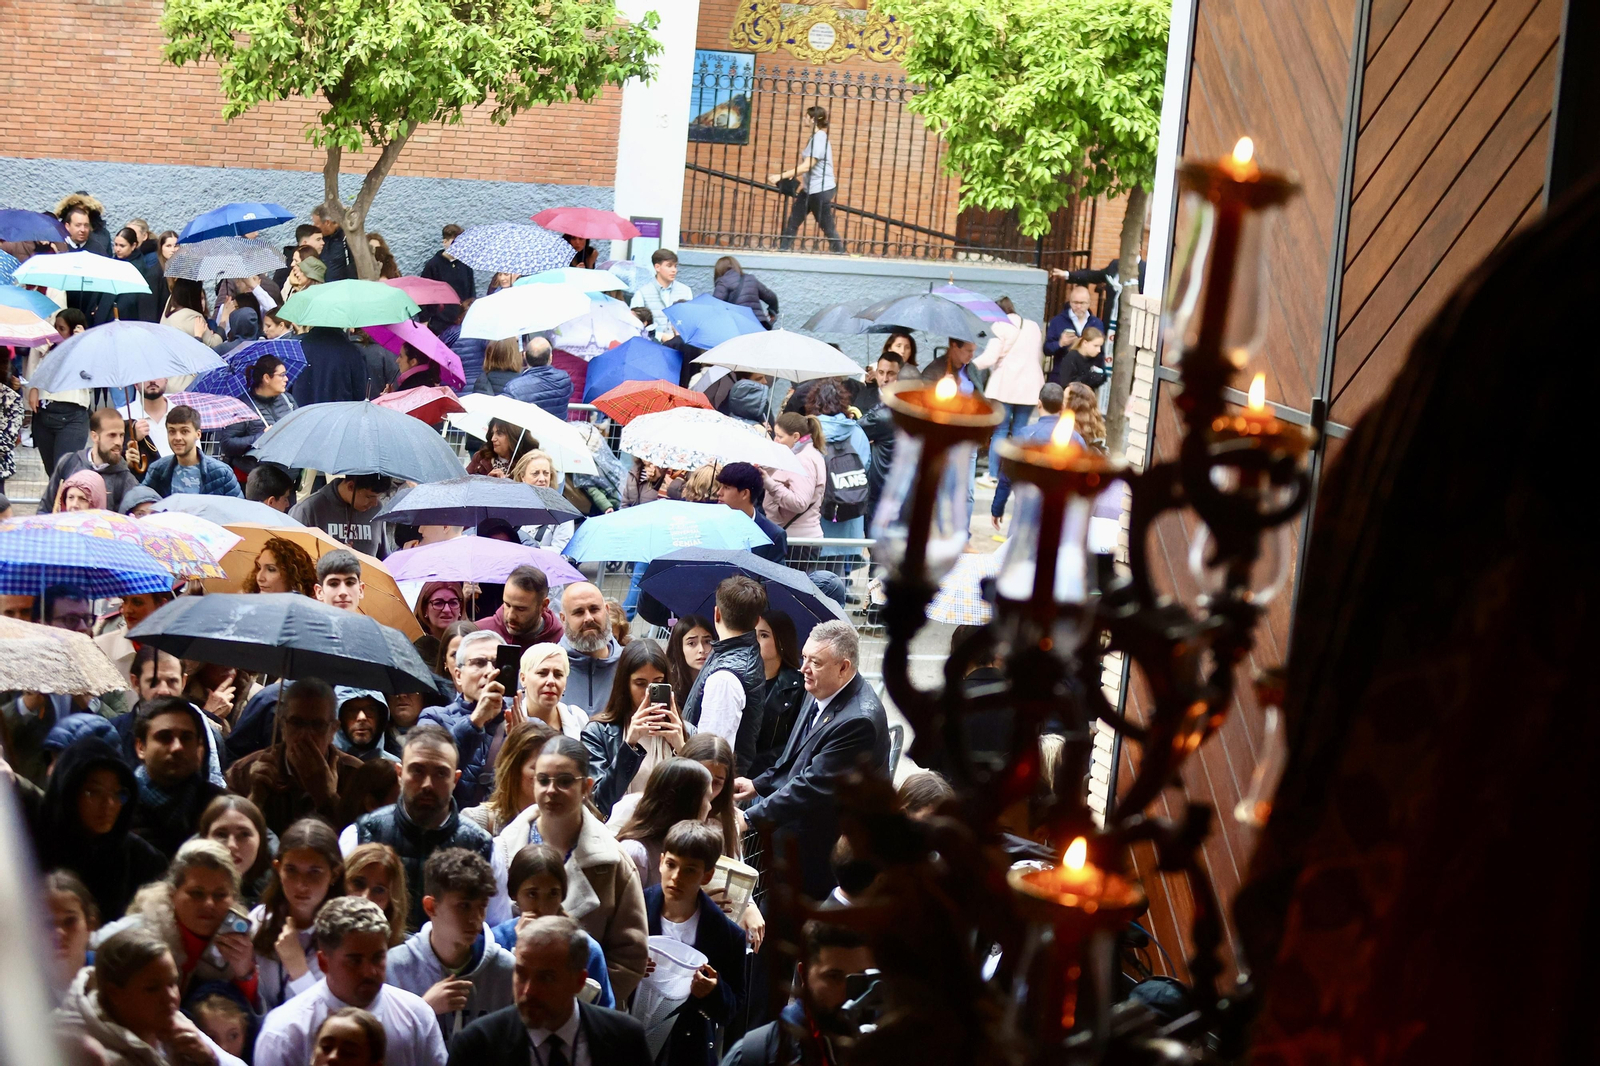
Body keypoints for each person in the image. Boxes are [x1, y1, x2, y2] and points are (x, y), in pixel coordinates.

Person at [733, 620, 890, 900]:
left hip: (819, 853)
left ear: (843, 667)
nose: (803, 668)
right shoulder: (820, 686)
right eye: (804, 657)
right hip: (795, 841)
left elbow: (813, 784)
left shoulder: (858, 721)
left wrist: (749, 817)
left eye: (815, 662)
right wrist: (759, 784)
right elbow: (796, 755)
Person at [487, 737, 649, 1000]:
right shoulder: (502, 850)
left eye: (564, 781)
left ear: (586, 786)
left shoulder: (613, 862)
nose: (551, 790)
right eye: (543, 780)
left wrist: (582, 1000)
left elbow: (629, 957)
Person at [252, 897, 445, 1066]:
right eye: (355, 961)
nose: (370, 971)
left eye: (378, 958)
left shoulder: (417, 1016)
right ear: (323, 962)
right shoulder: (284, 1032)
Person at [342, 724, 495, 932]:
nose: (427, 785)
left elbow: (493, 928)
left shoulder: (482, 847)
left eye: (441, 773)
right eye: (417, 771)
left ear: (455, 780)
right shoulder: (361, 834)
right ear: (399, 773)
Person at [91, 839, 257, 1001]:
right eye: (197, 893)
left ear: (233, 899)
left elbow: (249, 1015)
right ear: (172, 893)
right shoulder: (137, 931)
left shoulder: (241, 942)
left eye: (220, 895)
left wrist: (245, 973)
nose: (209, 904)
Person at [55, 926, 248, 1066]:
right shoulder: (80, 1051)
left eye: (172, 983)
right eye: (152, 989)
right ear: (115, 993)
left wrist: (209, 1058)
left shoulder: (175, 1024)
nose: (170, 997)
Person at [643, 822, 746, 1066]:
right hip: (632, 1041)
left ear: (706, 875)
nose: (676, 877)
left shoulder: (728, 935)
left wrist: (713, 991)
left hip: (688, 1050)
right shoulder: (635, 909)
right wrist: (631, 968)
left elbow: (732, 1009)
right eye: (671, 864)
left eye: (689, 870)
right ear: (661, 862)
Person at [31, 736, 168, 921]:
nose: (108, 804)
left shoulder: (143, 860)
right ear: (69, 793)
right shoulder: (30, 847)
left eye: (118, 793)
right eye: (93, 792)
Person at [385, 848, 513, 1039]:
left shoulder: (507, 970)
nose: (476, 918)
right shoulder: (394, 968)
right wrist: (424, 1009)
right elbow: (382, 1046)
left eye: (482, 906)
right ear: (430, 907)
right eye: (464, 906)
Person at [719, 921, 874, 1066]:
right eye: (834, 977)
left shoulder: (881, 1048)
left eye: (860, 979)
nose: (848, 991)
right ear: (803, 974)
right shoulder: (754, 1054)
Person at [226, 679, 367, 835]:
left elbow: (363, 839)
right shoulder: (244, 771)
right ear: (282, 725)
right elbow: (227, 837)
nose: (305, 734)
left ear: (333, 729)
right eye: (297, 723)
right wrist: (256, 798)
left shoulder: (356, 776)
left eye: (317, 725)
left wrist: (327, 798)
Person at [490, 844, 612, 1007]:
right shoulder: (495, 943)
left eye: (553, 894)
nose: (543, 907)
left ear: (563, 895)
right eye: (532, 894)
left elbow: (603, 1013)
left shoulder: (587, 949)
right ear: (514, 894)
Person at [581, 640, 686, 820]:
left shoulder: (685, 730)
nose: (648, 693)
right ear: (625, 685)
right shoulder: (597, 732)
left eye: (657, 683)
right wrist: (629, 746)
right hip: (618, 832)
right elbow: (598, 803)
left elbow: (704, 795)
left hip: (672, 832)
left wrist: (682, 749)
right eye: (640, 683)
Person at [248, 818, 345, 1010]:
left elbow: (334, 1014)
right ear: (278, 869)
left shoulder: (345, 934)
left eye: (314, 872)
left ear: (334, 874)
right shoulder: (259, 921)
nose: (301, 885)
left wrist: (298, 968)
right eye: (291, 870)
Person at [679, 576, 768, 774]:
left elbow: (710, 755)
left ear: (716, 613)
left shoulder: (724, 679)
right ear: (757, 621)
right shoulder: (743, 652)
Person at [420, 629, 511, 805]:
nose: (490, 671)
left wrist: (521, 743)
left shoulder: (522, 721)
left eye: (497, 663)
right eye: (479, 663)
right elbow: (429, 774)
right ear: (458, 675)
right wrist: (475, 722)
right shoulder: (433, 718)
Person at [128, 696, 226, 858]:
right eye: (164, 737)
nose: (177, 747)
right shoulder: (119, 806)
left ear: (199, 745)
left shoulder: (221, 808)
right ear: (141, 747)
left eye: (186, 738)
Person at [973, 295, 1046, 479]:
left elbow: (990, 357)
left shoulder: (1000, 326)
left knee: (1000, 430)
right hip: (1030, 386)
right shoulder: (1033, 326)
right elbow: (1037, 356)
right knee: (1021, 430)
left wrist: (970, 365)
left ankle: (994, 474)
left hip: (1005, 386)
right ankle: (1016, 474)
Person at [990, 384, 1079, 529]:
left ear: (1039, 404)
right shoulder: (1076, 438)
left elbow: (1006, 477)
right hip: (1063, 516)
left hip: (1027, 514)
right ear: (1062, 407)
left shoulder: (1025, 435)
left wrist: (997, 508)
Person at [616, 761, 712, 889]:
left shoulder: (681, 848)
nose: (710, 807)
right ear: (688, 802)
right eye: (707, 798)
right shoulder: (637, 853)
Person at [461, 719, 560, 836]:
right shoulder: (475, 821)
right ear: (514, 770)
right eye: (539, 768)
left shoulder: (568, 824)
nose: (551, 778)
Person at [40, 406, 140, 513]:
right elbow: (45, 510)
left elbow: (130, 521)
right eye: (112, 435)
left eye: (121, 435)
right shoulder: (69, 463)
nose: (118, 442)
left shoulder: (125, 479)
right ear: (94, 436)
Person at [774, 106, 844, 253]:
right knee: (793, 221)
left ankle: (840, 253)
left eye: (806, 116)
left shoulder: (819, 139)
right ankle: (783, 250)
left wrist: (780, 176)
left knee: (827, 227)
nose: (804, 119)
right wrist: (793, 174)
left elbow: (807, 166)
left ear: (813, 119)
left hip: (820, 189)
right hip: (809, 190)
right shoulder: (814, 138)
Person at [143, 406, 244, 498]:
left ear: (198, 434)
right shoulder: (157, 470)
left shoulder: (222, 473)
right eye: (172, 431)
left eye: (184, 431)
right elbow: (141, 499)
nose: (177, 438)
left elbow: (238, 507)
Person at [750, 613, 805, 779]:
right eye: (753, 634)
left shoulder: (799, 687)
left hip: (770, 776)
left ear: (781, 641)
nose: (755, 641)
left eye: (764, 635)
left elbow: (794, 743)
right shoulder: (741, 679)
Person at [221, 354, 298, 468]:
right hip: (256, 473)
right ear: (266, 378)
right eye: (282, 375)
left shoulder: (287, 399)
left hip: (289, 472)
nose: (286, 379)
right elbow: (227, 444)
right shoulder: (242, 406)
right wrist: (261, 437)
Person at [558, 581, 623, 715]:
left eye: (594, 609)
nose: (588, 618)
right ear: (563, 619)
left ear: (607, 611)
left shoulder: (628, 665)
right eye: (578, 612)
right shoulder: (546, 668)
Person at [199, 795, 274, 907]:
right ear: (204, 839)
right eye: (221, 834)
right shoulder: (181, 889)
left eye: (244, 834)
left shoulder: (278, 897)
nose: (231, 845)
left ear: (260, 840)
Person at [291, 476, 393, 558]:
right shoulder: (308, 509)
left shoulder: (376, 510)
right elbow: (293, 559)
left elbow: (384, 558)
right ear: (351, 487)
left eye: (378, 497)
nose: (375, 503)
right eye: (369, 497)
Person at [763, 412, 826, 540]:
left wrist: (768, 483)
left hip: (797, 538)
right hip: (794, 534)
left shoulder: (803, 459)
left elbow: (800, 502)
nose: (775, 440)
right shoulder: (802, 454)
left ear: (796, 436)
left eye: (780, 436)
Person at [478, 564, 564, 650]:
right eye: (507, 605)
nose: (510, 616)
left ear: (544, 605)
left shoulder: (560, 641)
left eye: (520, 609)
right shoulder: (479, 633)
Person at [714, 463, 788, 564]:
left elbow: (776, 572)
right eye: (720, 486)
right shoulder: (709, 523)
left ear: (745, 493)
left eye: (726, 487)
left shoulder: (772, 534)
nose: (719, 492)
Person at [44, 870, 101, 999]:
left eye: (69, 921)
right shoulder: (19, 982)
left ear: (90, 925)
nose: (59, 932)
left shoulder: (112, 974)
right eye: (48, 924)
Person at [516, 643, 590, 740]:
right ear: (523, 679)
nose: (551, 681)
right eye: (542, 673)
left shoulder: (578, 718)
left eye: (558, 674)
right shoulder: (508, 721)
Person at [344, 842, 411, 947]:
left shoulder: (403, 952)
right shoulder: (317, 939)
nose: (365, 897)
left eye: (379, 890)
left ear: (391, 901)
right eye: (358, 883)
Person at [293, 325, 369, 405]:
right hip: (339, 409)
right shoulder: (352, 352)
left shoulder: (297, 348)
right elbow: (361, 394)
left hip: (302, 410)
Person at [501, 337, 573, 421]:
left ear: (524, 356)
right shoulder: (564, 378)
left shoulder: (513, 387)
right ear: (550, 358)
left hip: (528, 429)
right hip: (557, 429)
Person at [419, 224, 475, 331]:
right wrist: (424, 319)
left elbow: (471, 293)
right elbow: (423, 294)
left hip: (462, 322)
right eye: (454, 243)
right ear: (444, 242)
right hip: (438, 324)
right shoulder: (433, 265)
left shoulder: (466, 265)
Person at [630, 249, 693, 338]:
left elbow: (690, 321)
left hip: (679, 343)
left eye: (675, 266)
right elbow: (635, 325)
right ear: (657, 267)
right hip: (652, 343)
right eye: (669, 266)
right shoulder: (642, 293)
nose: (674, 270)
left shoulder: (685, 291)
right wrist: (660, 336)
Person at [1042, 284, 1107, 368]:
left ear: (1089, 303)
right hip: (1062, 372)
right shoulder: (1057, 321)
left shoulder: (1097, 323)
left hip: (1087, 372)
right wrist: (1060, 343)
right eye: (1075, 302)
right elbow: (1047, 350)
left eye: (1082, 303)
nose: (1078, 306)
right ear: (1070, 302)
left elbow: (1101, 353)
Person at [335, 688, 401, 764]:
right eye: (351, 711)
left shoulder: (395, 768)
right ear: (339, 718)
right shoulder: (325, 765)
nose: (362, 717)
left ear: (381, 717)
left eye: (370, 710)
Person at [711, 256, 779, 326]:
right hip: (758, 324)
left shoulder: (722, 282)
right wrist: (772, 311)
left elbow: (715, 307)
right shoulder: (751, 279)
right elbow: (772, 297)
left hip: (738, 325)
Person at [666, 614, 715, 708]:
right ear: (679, 647)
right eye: (691, 643)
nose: (701, 650)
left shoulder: (720, 680)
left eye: (707, 642)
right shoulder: (670, 687)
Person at [243, 536, 318, 596]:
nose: (259, 578)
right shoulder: (247, 607)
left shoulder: (309, 609)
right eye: (259, 567)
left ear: (292, 576)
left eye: (271, 569)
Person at [467, 418, 536, 478]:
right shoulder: (481, 457)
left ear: (513, 436)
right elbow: (464, 482)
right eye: (492, 433)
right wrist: (487, 481)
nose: (493, 439)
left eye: (499, 434)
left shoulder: (528, 463)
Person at [1052, 326, 1109, 391]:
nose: (1099, 350)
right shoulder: (1071, 357)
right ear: (1085, 343)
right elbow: (1066, 383)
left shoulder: (1097, 358)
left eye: (1100, 346)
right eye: (1095, 346)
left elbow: (1102, 377)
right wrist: (1089, 377)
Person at [310, 205, 354, 282]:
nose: (313, 226)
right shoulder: (320, 238)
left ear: (327, 222)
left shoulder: (348, 238)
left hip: (342, 286)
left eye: (316, 224)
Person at [1064, 380, 1108, 452]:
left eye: (1064, 399)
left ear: (1073, 405)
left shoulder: (1070, 433)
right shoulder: (1093, 427)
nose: (1060, 403)